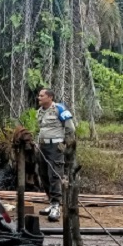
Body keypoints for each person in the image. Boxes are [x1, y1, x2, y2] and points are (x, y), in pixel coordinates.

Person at [35, 88, 76, 222]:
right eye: (39, 95)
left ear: (50, 97)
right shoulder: (40, 111)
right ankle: (51, 202)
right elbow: (41, 128)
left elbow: (70, 128)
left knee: (54, 175)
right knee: (43, 174)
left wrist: (66, 144)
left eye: (42, 96)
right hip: (42, 146)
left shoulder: (59, 109)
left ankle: (56, 206)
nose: (39, 97)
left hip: (55, 146)